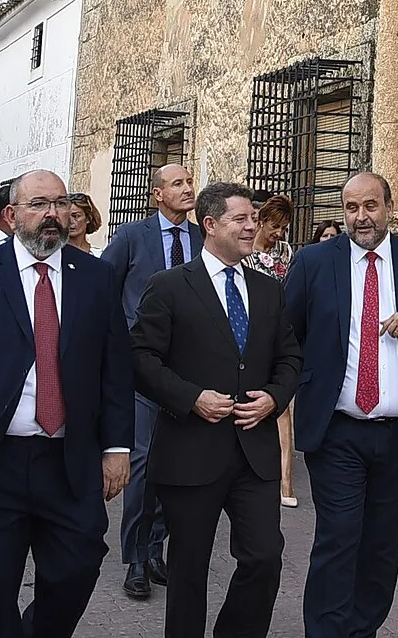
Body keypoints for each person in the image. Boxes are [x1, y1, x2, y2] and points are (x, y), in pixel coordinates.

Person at [0, 170, 134, 638]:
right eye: (39, 204)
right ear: (13, 216)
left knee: (76, 569)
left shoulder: (95, 277)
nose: (53, 214)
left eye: (60, 203)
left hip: (69, 460)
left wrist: (117, 446)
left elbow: (114, 367)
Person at [284, 172, 398, 638]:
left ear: (388, 206)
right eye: (351, 208)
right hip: (337, 430)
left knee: (383, 546)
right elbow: (288, 336)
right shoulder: (313, 262)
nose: (361, 217)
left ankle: (361, 630)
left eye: (370, 206)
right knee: (338, 539)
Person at [132, 182, 302, 638]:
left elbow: (290, 358)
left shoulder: (269, 290)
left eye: (254, 218)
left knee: (265, 557)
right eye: (241, 219)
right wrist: (190, 398)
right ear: (210, 225)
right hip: (191, 453)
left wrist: (274, 396)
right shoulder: (168, 287)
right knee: (189, 570)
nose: (253, 227)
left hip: (254, 454)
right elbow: (141, 359)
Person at [103, 162, 203, 599]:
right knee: (142, 463)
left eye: (189, 181)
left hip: (188, 371)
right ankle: (136, 558)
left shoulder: (203, 238)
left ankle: (157, 548)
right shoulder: (131, 237)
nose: (187, 188)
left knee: (174, 462)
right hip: (142, 369)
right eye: (177, 183)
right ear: (157, 194)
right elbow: (102, 290)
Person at [243, 195, 297, 506]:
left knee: (283, 406)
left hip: (278, 333)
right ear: (262, 220)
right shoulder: (245, 252)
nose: (279, 233)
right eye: (275, 226)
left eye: (284, 228)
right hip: (249, 335)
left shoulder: (286, 252)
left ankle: (286, 482)